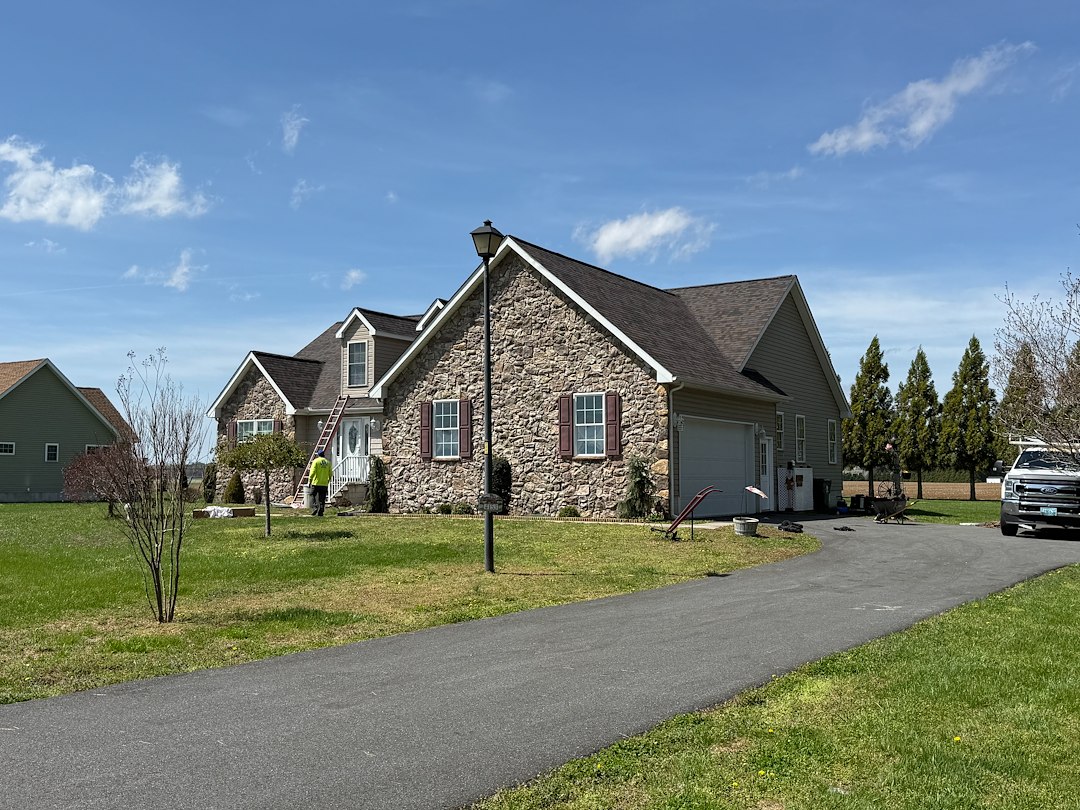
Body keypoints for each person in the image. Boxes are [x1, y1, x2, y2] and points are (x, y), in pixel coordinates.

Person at [309, 449, 331, 516]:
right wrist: (328, 480)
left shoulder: (316, 461)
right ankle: (321, 510)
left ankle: (315, 507)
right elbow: (330, 474)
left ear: (318, 455)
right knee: (322, 498)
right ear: (324, 454)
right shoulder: (328, 462)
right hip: (324, 483)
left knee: (312, 495)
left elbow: (312, 472)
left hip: (316, 483)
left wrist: (310, 480)